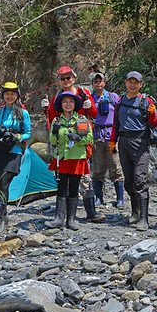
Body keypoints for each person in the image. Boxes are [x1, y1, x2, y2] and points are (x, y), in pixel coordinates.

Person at [43, 66, 106, 223]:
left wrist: (89, 106)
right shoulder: (57, 96)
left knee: (84, 175)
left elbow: (94, 114)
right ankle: (64, 216)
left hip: (82, 138)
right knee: (64, 178)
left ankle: (90, 211)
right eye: (62, 78)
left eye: (68, 77)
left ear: (74, 78)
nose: (66, 81)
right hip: (63, 142)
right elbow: (52, 118)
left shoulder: (83, 93)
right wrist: (46, 110)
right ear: (58, 80)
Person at [109, 71, 157, 231]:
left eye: (135, 82)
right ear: (126, 83)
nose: (132, 84)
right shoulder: (120, 101)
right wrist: (112, 141)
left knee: (140, 180)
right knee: (129, 180)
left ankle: (144, 219)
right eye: (130, 81)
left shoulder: (146, 101)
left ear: (140, 84)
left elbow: (154, 123)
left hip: (140, 142)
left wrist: (152, 114)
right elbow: (116, 124)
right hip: (123, 142)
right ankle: (135, 211)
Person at [0, 82, 31, 237]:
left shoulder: (23, 113)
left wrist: (18, 137)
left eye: (12, 93)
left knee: (4, 181)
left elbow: (28, 132)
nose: (9, 96)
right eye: (6, 93)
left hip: (14, 151)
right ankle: (3, 217)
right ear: (3, 95)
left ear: (17, 95)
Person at [46, 92, 94, 230]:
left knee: (73, 189)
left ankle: (71, 220)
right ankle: (59, 219)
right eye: (65, 101)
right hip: (62, 158)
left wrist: (79, 139)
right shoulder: (56, 121)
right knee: (61, 189)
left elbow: (89, 139)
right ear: (61, 105)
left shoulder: (81, 119)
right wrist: (54, 132)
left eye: (71, 101)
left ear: (75, 104)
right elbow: (53, 141)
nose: (68, 104)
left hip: (77, 159)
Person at [89, 72, 125, 209]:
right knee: (98, 168)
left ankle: (120, 199)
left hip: (111, 136)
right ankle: (99, 198)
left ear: (104, 83)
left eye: (100, 81)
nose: (98, 83)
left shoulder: (113, 97)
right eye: (95, 81)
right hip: (96, 136)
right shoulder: (90, 99)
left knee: (115, 166)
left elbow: (121, 111)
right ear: (93, 84)